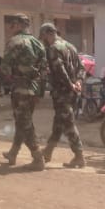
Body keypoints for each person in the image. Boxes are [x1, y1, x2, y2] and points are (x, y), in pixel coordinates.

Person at [0, 13, 47, 170]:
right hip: (34, 90)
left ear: (18, 25)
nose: (11, 28)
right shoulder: (38, 44)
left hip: (20, 89)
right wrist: (39, 92)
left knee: (24, 123)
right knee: (23, 121)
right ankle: (13, 152)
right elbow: (44, 71)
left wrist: (1, 81)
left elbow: (5, 68)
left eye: (12, 25)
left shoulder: (14, 42)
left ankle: (38, 157)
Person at [40, 22, 86, 168]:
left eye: (43, 37)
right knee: (59, 122)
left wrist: (69, 84)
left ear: (48, 34)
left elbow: (59, 70)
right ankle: (48, 151)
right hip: (72, 92)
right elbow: (82, 67)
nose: (43, 40)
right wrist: (78, 81)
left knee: (68, 122)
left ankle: (79, 155)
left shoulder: (53, 49)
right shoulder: (70, 46)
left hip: (62, 92)